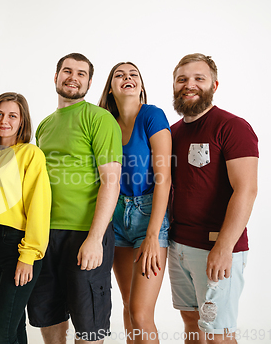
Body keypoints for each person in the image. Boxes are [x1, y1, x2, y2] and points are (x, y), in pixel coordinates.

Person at [27, 53, 123, 344]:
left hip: (85, 233)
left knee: (88, 322)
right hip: (45, 233)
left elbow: (111, 180)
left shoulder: (99, 119)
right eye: (67, 71)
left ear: (90, 82)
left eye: (81, 73)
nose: (73, 77)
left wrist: (95, 239)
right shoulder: (44, 125)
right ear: (55, 76)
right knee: (49, 313)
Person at [168, 53, 258, 344]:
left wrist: (224, 247)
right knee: (192, 325)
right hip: (178, 245)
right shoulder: (172, 133)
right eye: (182, 79)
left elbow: (247, 189)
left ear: (214, 85)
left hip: (216, 248)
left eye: (198, 78)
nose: (189, 85)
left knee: (218, 333)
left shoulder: (232, 127)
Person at [98, 62, 171, 344]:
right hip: (114, 215)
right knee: (129, 309)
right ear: (111, 88)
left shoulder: (152, 116)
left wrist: (153, 235)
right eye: (119, 75)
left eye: (133, 75)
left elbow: (164, 179)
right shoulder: (105, 122)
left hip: (147, 214)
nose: (127, 77)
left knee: (141, 313)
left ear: (140, 86)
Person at [0, 92, 51, 344]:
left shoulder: (30, 154)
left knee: (2, 331)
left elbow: (39, 208)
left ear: (22, 121)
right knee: (13, 325)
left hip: (19, 246)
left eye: (12, 115)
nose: (4, 120)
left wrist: (28, 256)